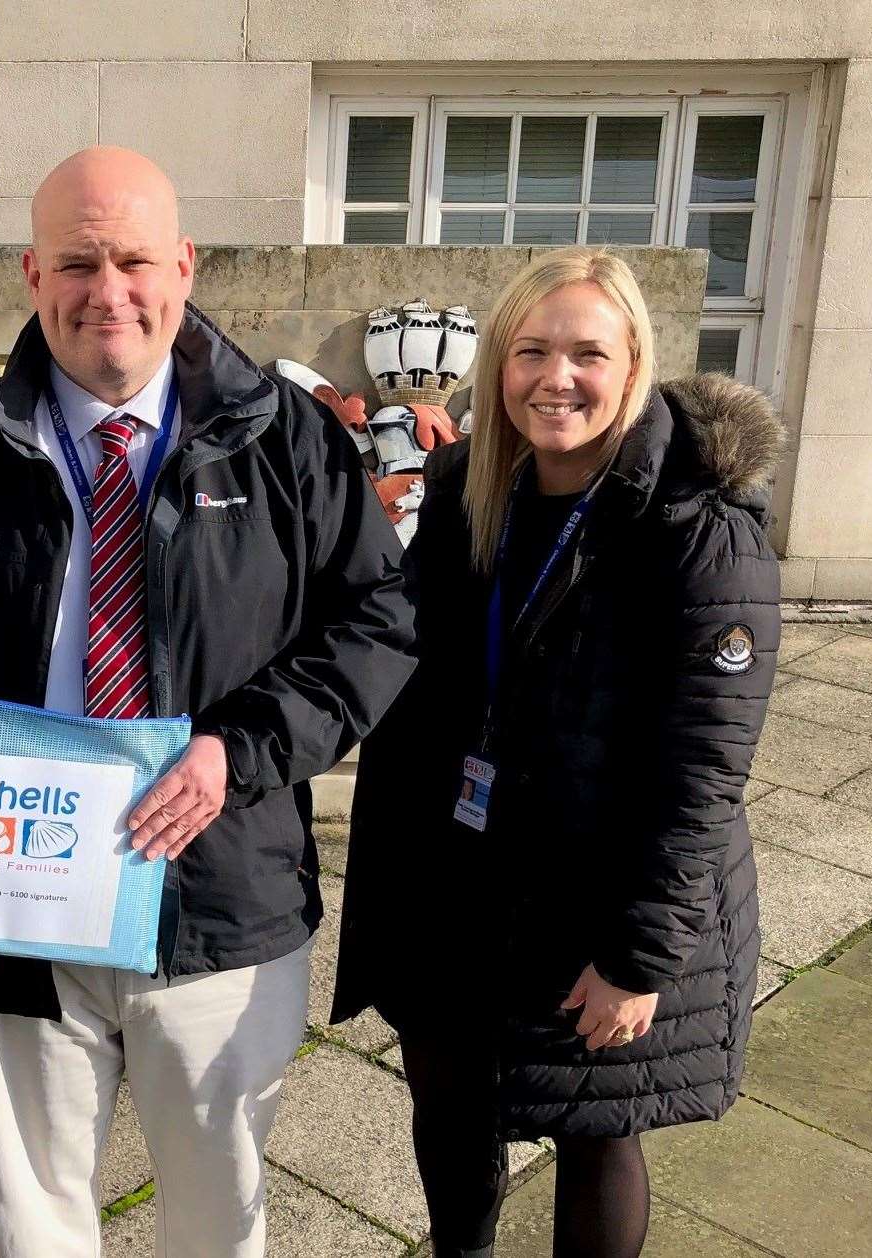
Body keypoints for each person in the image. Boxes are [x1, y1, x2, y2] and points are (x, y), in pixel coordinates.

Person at [0, 147, 415, 1257]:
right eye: (78, 261)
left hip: (219, 898)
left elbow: (380, 623)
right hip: (2, 918)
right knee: (24, 1226)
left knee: (216, 1223)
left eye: (135, 259)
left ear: (184, 267)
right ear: (30, 274)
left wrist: (237, 750)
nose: (110, 291)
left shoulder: (289, 440)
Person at [331, 247, 782, 1258]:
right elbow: (398, 652)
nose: (557, 377)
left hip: (603, 895)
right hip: (463, 880)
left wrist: (637, 957)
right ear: (498, 367)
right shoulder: (464, 495)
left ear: (632, 364)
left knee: (596, 1129)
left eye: (587, 351)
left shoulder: (700, 527)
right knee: (449, 1107)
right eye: (531, 350)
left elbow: (702, 773)